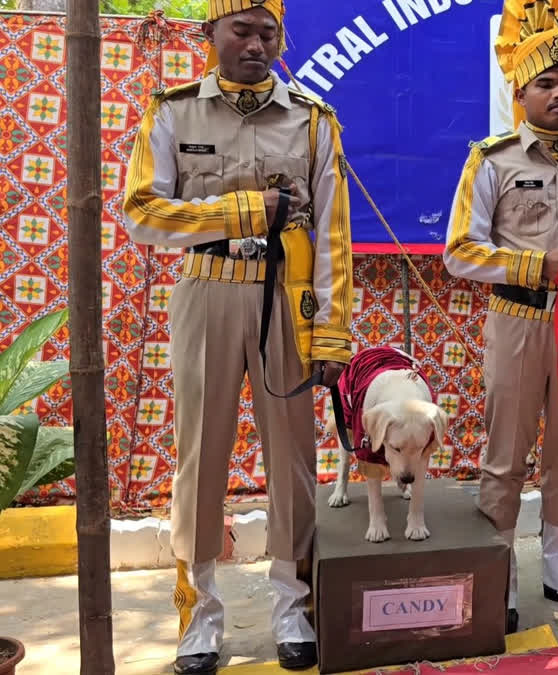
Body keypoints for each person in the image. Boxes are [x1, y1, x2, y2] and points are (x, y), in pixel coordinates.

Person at [122, 1, 353, 672]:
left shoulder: (313, 120)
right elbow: (142, 211)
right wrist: (245, 209)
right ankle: (199, 614)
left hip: (289, 297)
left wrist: (332, 332)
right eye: (241, 30)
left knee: (294, 456)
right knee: (199, 454)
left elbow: (333, 234)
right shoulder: (171, 113)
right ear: (210, 34)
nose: (256, 44)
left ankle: (292, 604)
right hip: (208, 290)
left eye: (268, 32)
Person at [442, 0, 558, 635]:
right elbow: (459, 254)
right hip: (517, 321)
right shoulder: (491, 161)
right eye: (545, 83)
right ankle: (498, 570)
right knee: (506, 453)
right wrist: (530, 268)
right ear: (519, 92)